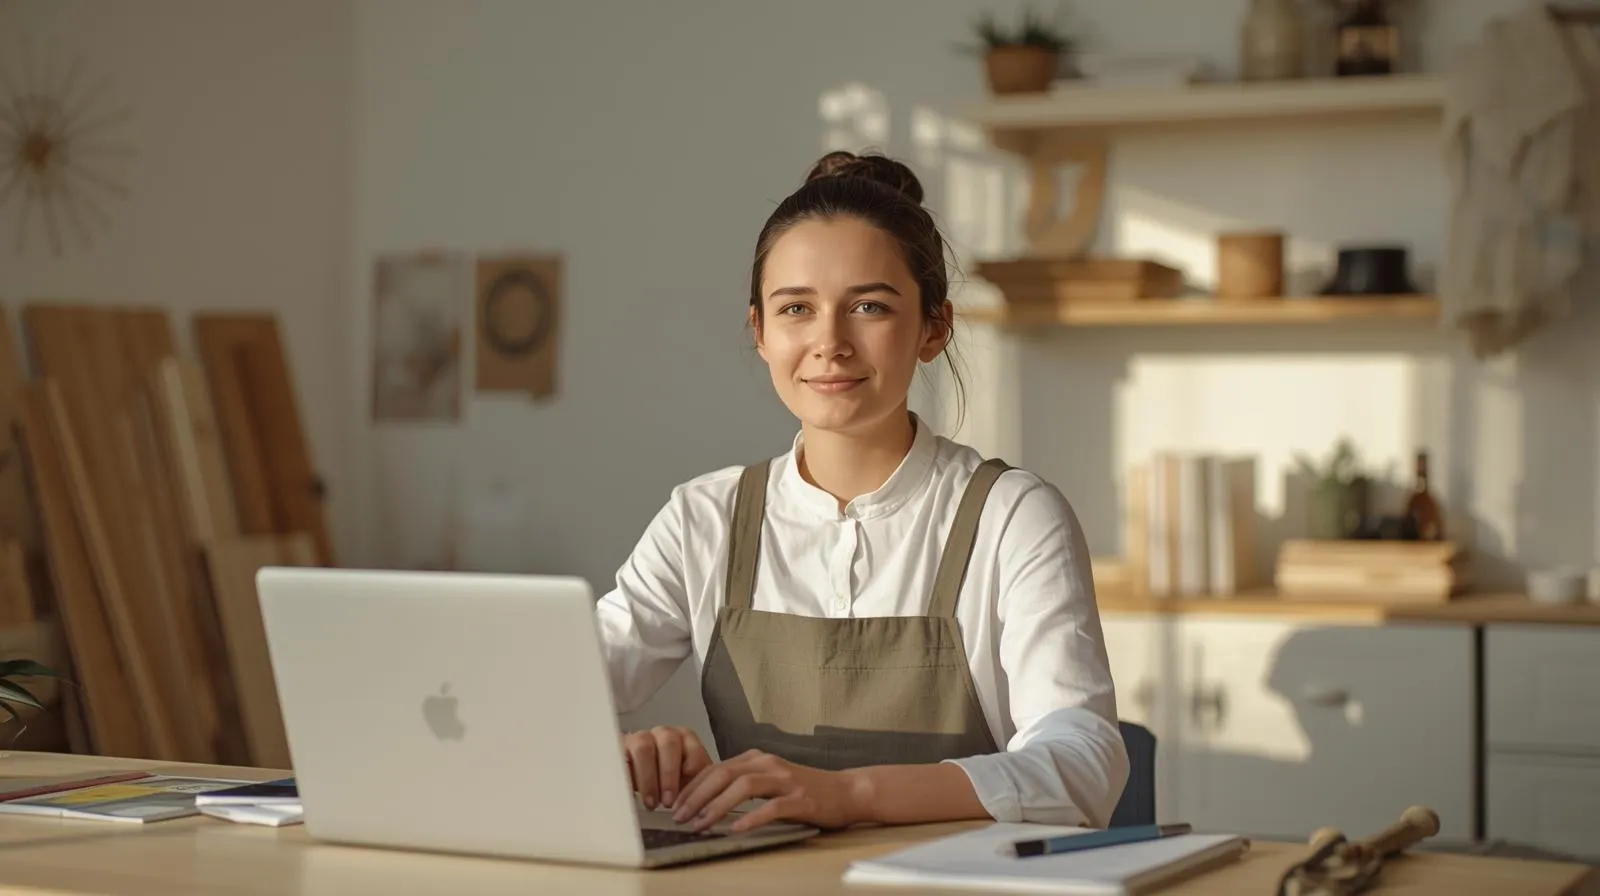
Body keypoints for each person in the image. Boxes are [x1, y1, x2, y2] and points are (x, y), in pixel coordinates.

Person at [593, 149, 1128, 837]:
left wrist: (848, 795)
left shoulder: (1012, 516)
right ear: (759, 331)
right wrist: (619, 755)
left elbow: (1084, 765)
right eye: (796, 309)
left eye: (869, 306)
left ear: (935, 328)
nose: (830, 343)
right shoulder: (704, 520)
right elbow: (552, 697)